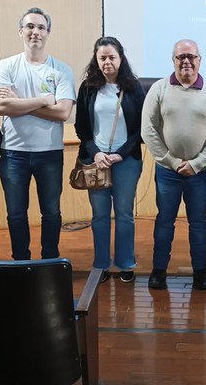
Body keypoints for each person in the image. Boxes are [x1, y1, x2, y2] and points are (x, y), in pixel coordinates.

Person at [141, 39, 206, 290]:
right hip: (168, 171)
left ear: (200, 60)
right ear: (173, 60)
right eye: (181, 57)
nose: (186, 61)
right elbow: (148, 130)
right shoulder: (158, 89)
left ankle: (200, 271)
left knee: (198, 223)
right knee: (164, 221)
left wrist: (197, 163)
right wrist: (172, 161)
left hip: (199, 173)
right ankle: (159, 270)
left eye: (191, 56)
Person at [0, 7, 76, 260]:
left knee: (51, 212)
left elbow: (63, 113)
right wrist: (42, 100)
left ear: (48, 33)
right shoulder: (5, 67)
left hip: (50, 153)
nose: (35, 32)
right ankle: (21, 262)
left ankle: (49, 261)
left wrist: (22, 103)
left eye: (41, 27)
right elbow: (2, 107)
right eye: (30, 26)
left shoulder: (61, 70)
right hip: (14, 154)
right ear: (21, 31)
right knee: (16, 213)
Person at [75, 37, 146, 283]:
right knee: (100, 214)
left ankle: (126, 263)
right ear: (96, 59)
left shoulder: (134, 88)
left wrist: (121, 153)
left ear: (121, 58)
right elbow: (81, 128)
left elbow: (141, 129)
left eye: (111, 57)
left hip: (126, 160)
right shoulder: (87, 87)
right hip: (97, 161)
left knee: (124, 213)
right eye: (102, 57)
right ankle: (101, 264)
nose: (107, 62)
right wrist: (96, 152)